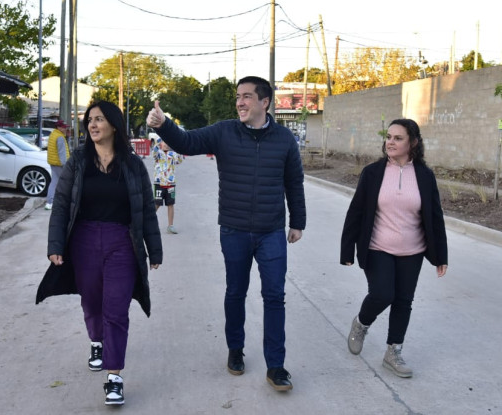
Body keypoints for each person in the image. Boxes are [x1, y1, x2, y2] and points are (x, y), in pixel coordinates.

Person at [147, 75, 306, 392]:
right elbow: (187, 143)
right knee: (236, 292)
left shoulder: (284, 140)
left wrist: (297, 222)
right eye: (237, 96)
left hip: (271, 231)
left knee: (274, 296)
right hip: (233, 229)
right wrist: (164, 125)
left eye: (247, 96)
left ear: (265, 102)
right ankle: (236, 348)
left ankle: (276, 365)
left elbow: (294, 182)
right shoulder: (224, 132)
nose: (240, 102)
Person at [36, 100, 162, 407]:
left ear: (114, 126)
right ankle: (96, 341)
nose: (93, 125)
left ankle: (114, 377)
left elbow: (146, 209)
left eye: (100, 119)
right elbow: (62, 204)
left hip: (122, 242)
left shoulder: (132, 165)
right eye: (90, 120)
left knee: (116, 309)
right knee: (91, 301)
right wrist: (55, 246)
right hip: (84, 241)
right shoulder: (78, 161)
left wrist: (153, 248)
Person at [340, 118, 448, 379]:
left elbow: (435, 216)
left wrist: (440, 256)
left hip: (413, 251)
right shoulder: (373, 172)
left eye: (398, 138)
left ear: (413, 142)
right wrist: (346, 250)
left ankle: (393, 352)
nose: (390, 142)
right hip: (378, 247)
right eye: (388, 137)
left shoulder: (424, 175)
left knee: (403, 301)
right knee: (382, 294)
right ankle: (362, 323)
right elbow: (355, 212)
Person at [152, 137, 183, 234]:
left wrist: (177, 145)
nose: (166, 144)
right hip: (159, 183)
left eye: (168, 142)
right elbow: (154, 152)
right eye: (164, 142)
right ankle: (147, 221)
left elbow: (180, 160)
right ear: (161, 144)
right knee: (157, 203)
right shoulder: (158, 154)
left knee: (170, 204)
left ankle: (170, 226)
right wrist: (159, 140)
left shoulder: (173, 154)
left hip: (170, 184)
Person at [44, 120, 70, 210]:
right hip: (59, 164)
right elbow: (62, 153)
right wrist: (66, 166)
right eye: (63, 127)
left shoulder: (53, 134)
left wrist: (67, 136)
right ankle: (61, 202)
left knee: (54, 182)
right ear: (58, 127)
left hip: (53, 163)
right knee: (65, 183)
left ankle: (50, 202)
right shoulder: (60, 137)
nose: (65, 128)